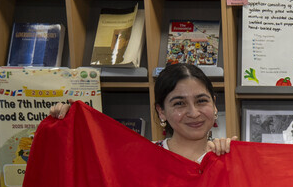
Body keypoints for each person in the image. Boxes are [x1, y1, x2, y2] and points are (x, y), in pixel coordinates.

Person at [48, 63, 235, 163]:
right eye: (179, 103)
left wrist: (236, 160)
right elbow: (79, 166)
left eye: (201, 101)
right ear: (161, 111)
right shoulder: (139, 157)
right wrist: (66, 124)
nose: (193, 113)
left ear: (215, 104)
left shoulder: (228, 157)